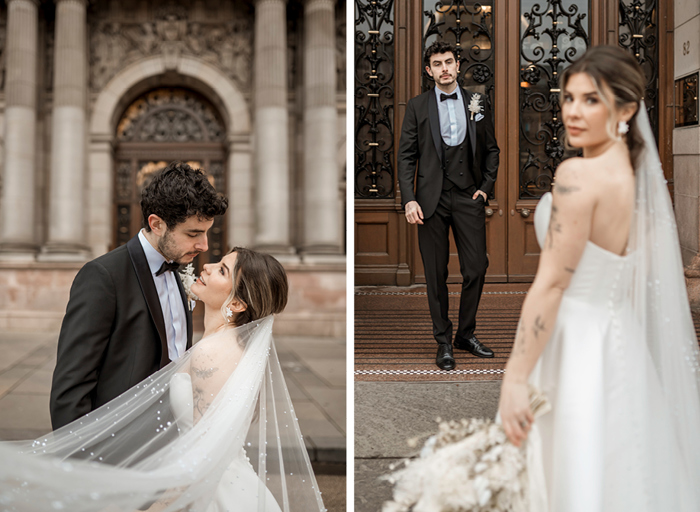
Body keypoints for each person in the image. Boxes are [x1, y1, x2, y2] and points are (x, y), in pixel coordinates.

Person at [498, 45, 700, 511]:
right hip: (620, 338)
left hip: (575, 339)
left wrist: (515, 376)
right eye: (568, 97)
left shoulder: (578, 175)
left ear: (626, 109)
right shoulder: (640, 182)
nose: (573, 110)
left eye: (591, 99)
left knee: (572, 468)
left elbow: (551, 285)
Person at [0, 248, 325, 512]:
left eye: (223, 270)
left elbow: (204, 459)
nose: (208, 265)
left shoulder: (212, 354)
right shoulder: (230, 348)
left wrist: (158, 507)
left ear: (238, 303)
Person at [50, 161, 228, 430]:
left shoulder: (179, 269)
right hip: (116, 444)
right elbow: (71, 385)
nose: (203, 245)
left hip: (170, 442)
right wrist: (78, 464)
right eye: (193, 233)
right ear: (156, 224)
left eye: (206, 233)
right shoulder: (103, 276)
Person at [397, 41, 500, 370]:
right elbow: (406, 156)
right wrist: (409, 198)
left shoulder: (477, 102)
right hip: (430, 202)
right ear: (429, 71)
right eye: (437, 63)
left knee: (476, 267)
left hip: (468, 196)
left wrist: (485, 188)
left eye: (449, 62)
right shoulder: (417, 106)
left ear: (458, 66)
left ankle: (465, 334)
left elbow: (492, 150)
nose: (444, 68)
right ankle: (443, 341)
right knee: (435, 274)